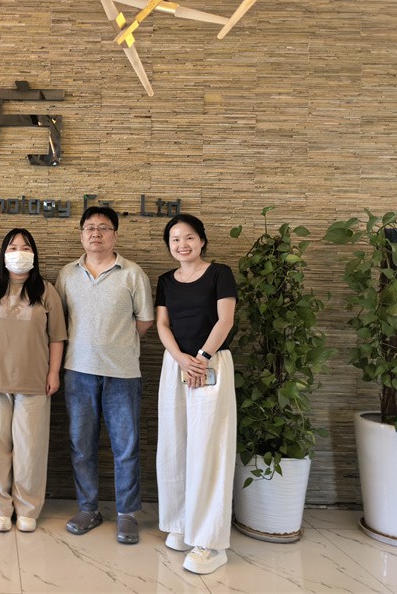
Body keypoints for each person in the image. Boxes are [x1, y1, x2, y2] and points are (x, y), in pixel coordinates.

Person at [55, 206, 154, 544]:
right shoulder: (67, 274)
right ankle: (88, 508)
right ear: (81, 234)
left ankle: (127, 514)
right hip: (77, 372)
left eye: (103, 227)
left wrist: (115, 344)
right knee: (81, 444)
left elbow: (144, 321)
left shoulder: (133, 273)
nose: (95, 233)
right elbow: (59, 321)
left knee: (125, 446)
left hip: (122, 373)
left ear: (115, 234)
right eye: (89, 228)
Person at [155, 213, 237, 575]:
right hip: (176, 365)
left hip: (211, 364)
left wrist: (201, 359)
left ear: (202, 240)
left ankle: (211, 542)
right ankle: (182, 523)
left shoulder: (220, 273)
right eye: (175, 239)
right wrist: (180, 358)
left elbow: (225, 320)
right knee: (174, 444)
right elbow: (162, 324)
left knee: (209, 449)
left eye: (189, 237)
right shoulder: (165, 280)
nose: (182, 244)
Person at [0, 228, 66, 533]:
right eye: (13, 247)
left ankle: (27, 508)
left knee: (30, 449)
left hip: (34, 382)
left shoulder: (46, 291)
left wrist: (53, 372)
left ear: (34, 254)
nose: (19, 252)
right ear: (3, 253)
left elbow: (57, 337)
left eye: (25, 247)